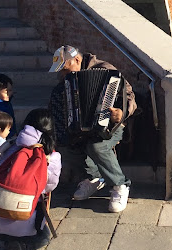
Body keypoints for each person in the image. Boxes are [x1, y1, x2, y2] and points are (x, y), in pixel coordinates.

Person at [48, 45, 136, 213]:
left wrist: (121, 113)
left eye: (65, 69)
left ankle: (120, 185)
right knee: (65, 145)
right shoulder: (66, 82)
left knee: (96, 146)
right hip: (81, 126)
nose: (62, 75)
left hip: (112, 125)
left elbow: (129, 96)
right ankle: (93, 178)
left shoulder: (106, 70)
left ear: (77, 60)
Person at [0, 108, 61, 250]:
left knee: (2, 224)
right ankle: (21, 246)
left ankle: (9, 242)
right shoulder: (51, 156)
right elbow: (49, 187)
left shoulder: (9, 145)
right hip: (24, 219)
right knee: (44, 237)